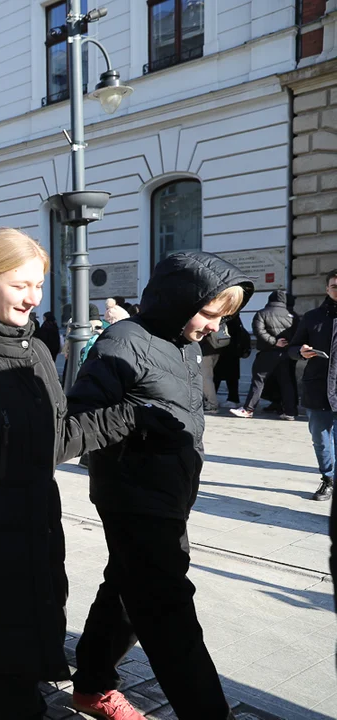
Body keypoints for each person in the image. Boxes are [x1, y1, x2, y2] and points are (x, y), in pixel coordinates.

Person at [0, 230, 151, 719]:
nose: (33, 296)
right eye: (21, 284)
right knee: (14, 695)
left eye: (38, 285)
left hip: (37, 546)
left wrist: (127, 416)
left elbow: (55, 441)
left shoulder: (37, 351)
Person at [67, 250, 251, 720]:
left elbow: (220, 348)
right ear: (178, 301)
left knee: (124, 592)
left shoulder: (184, 341)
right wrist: (136, 419)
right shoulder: (121, 342)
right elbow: (77, 424)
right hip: (131, 496)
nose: (214, 326)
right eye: (210, 314)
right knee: (169, 610)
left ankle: (90, 686)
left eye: (223, 316)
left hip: (170, 493)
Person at [288, 269, 337, 502]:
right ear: (327, 289)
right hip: (318, 388)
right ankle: (328, 479)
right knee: (321, 438)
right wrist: (300, 352)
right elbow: (292, 347)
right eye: (335, 286)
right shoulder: (312, 317)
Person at [232, 289, 298, 421]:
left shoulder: (262, 313)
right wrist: (287, 343)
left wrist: (274, 342)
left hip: (267, 352)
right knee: (287, 382)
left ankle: (248, 409)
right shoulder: (292, 315)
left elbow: (259, 332)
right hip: (286, 354)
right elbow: (298, 333)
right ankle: (290, 412)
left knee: (258, 381)